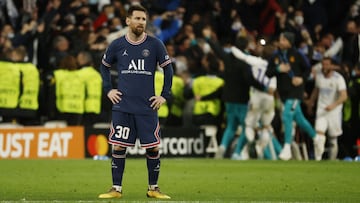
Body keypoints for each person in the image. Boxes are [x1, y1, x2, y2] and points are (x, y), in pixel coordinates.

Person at [98, 5, 173, 199]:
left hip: (147, 107)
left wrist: (164, 95)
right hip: (123, 106)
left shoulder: (155, 44)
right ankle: (116, 189)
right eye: (137, 18)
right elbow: (104, 67)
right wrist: (109, 90)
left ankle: (153, 188)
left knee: (153, 147)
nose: (141, 22)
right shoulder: (117, 45)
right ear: (128, 21)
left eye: (143, 19)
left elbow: (168, 69)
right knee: (118, 146)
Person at [265, 32, 323, 160]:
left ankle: (287, 148)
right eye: (281, 39)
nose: (281, 42)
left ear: (290, 42)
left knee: (286, 116)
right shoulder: (275, 56)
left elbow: (308, 69)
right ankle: (316, 138)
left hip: (296, 92)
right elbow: (268, 73)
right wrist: (278, 70)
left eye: (284, 40)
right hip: (283, 93)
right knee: (300, 119)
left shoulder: (297, 55)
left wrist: (301, 79)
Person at [230, 42, 279, 160]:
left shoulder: (256, 61)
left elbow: (240, 55)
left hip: (256, 96)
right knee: (266, 126)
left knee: (249, 125)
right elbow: (275, 87)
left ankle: (251, 141)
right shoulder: (275, 67)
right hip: (269, 97)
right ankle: (259, 148)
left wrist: (233, 46)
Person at [306, 57, 348, 160]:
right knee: (319, 135)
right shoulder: (319, 77)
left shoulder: (338, 79)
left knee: (333, 139)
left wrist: (333, 105)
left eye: (326, 64)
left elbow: (344, 96)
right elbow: (316, 91)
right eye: (323, 64)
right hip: (322, 110)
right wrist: (310, 104)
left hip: (334, 112)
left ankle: (332, 160)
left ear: (332, 66)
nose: (324, 67)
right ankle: (318, 158)